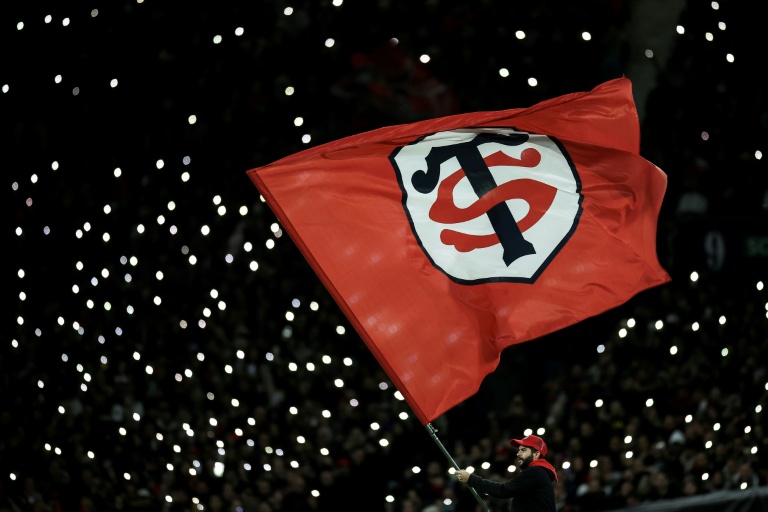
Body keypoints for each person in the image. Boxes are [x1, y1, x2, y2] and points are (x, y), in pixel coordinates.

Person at [455, 434, 557, 512]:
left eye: (523, 450)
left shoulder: (535, 471)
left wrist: (471, 479)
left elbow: (503, 490)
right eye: (519, 450)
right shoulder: (540, 472)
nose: (518, 453)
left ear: (536, 454)